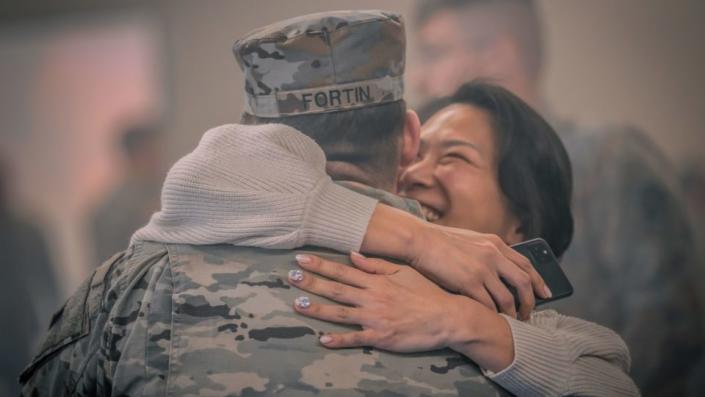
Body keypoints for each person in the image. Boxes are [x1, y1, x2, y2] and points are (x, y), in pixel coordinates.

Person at [19, 10, 635, 396]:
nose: (419, 174)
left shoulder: (536, 340)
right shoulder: (290, 226)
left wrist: (468, 323)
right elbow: (209, 180)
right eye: (422, 156)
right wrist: (416, 238)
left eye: (456, 159)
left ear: (522, 216)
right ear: (405, 142)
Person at [408, 1, 704, 395]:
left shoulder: (607, 159)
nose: (419, 77)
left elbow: (672, 326)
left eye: (435, 53)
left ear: (499, 53)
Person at [90, 123, 163, 263]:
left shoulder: (164, 195)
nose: (158, 161)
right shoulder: (111, 212)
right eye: (152, 153)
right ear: (134, 156)